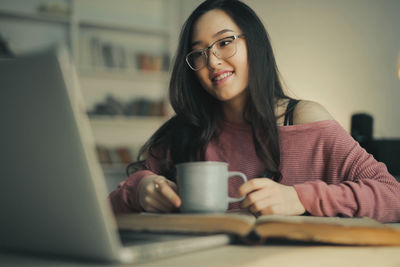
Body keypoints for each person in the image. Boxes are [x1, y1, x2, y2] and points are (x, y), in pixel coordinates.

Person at [108, 0, 400, 222]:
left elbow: (393, 195)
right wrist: (140, 189)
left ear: (254, 45)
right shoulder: (183, 133)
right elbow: (108, 209)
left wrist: (300, 199)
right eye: (199, 53)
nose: (212, 61)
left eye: (224, 43)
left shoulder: (302, 120)